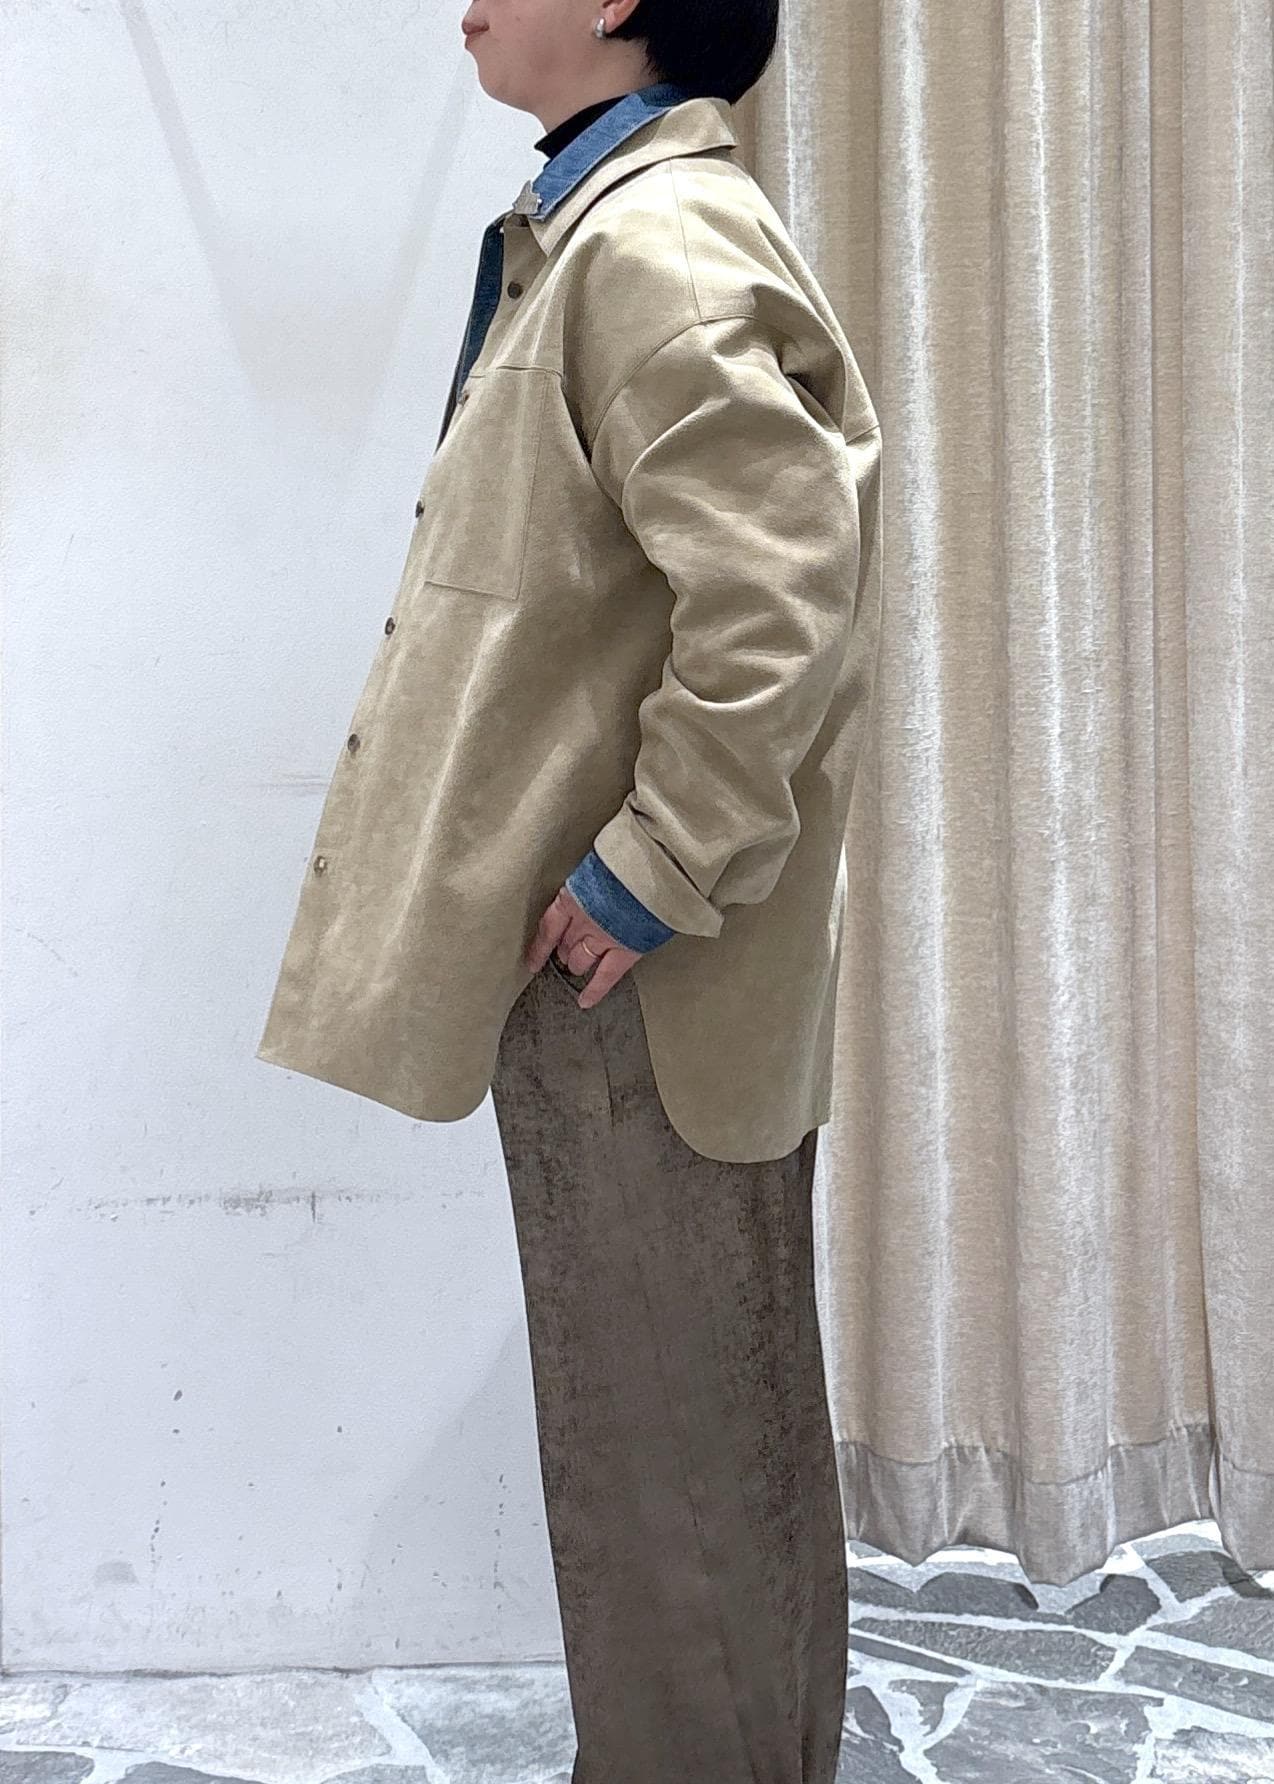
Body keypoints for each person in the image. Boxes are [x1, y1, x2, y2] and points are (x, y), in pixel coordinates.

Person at [256, 0, 882, 1775]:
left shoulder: (651, 246)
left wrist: (648, 868)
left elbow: (777, 606)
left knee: (669, 1444)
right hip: (621, 965)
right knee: (692, 1430)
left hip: (637, 979)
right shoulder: (607, 231)